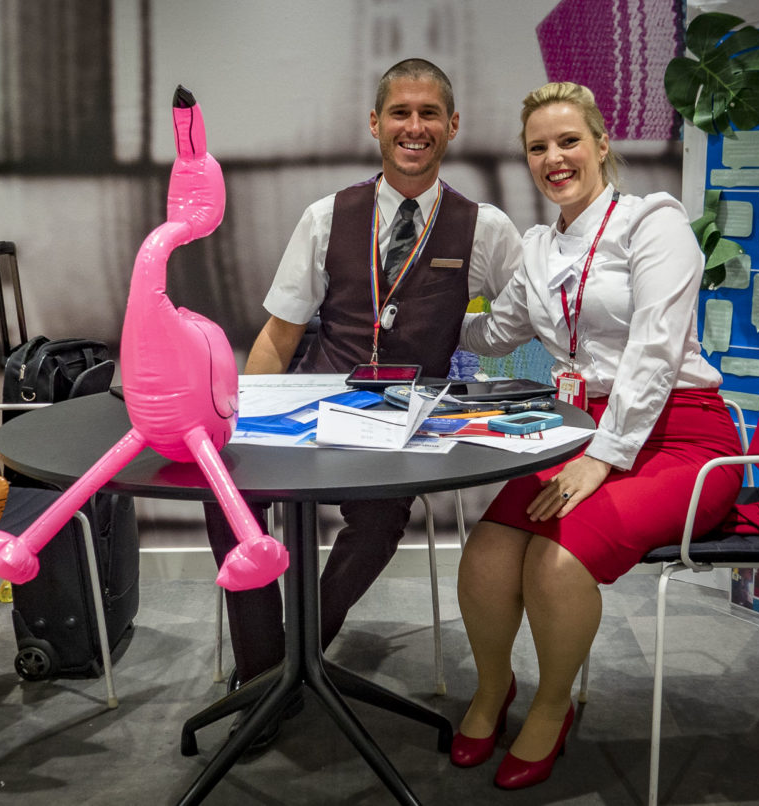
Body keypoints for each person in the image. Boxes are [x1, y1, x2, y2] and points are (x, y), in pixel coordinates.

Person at [204, 58, 524, 744]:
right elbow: (279, 335)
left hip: (406, 417)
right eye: (401, 113)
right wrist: (246, 427)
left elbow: (526, 318)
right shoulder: (326, 217)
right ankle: (265, 672)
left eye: (429, 113)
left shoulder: (485, 227)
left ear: (453, 126)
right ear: (375, 125)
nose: (415, 127)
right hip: (317, 400)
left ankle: (300, 648)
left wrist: (479, 344)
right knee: (227, 501)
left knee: (379, 521)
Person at [452, 81, 743, 790]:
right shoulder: (540, 248)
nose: (554, 158)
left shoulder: (654, 222)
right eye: (538, 148)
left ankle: (552, 708)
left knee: (555, 563)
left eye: (568, 140)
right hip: (579, 433)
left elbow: (655, 347)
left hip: (682, 436)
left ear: (602, 144)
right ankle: (495, 691)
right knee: (489, 554)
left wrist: (607, 456)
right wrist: (434, 306)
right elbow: (496, 333)